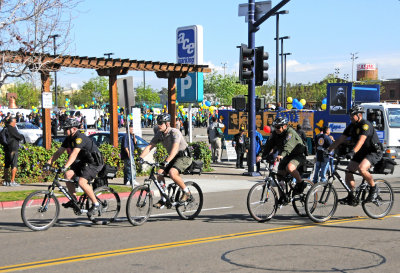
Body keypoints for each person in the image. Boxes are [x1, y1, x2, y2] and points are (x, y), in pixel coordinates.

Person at [45, 118, 104, 217]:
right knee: (67, 175)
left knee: (82, 182)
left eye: (66, 129)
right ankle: (74, 201)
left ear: (73, 129)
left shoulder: (79, 137)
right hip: (84, 162)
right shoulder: (69, 138)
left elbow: (74, 153)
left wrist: (65, 166)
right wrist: (48, 163)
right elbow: (59, 152)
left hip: (94, 162)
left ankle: (96, 204)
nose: (64, 131)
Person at [328, 105, 383, 204]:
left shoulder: (365, 125)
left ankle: (374, 189)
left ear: (359, 115)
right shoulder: (352, 126)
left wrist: (353, 152)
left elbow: (361, 141)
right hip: (361, 152)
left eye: (352, 115)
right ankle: (352, 196)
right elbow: (340, 139)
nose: (350, 117)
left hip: (373, 151)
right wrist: (328, 150)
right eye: (350, 115)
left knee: (362, 169)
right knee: (348, 171)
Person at [138, 113, 193, 209]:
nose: (158, 125)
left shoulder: (175, 132)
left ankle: (186, 192)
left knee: (172, 173)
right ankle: (163, 199)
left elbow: (175, 149)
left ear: (167, 124)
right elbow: (150, 146)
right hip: (173, 157)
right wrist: (140, 157)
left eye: (160, 123)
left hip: (184, 157)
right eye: (157, 123)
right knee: (159, 173)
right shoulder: (159, 134)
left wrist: (166, 161)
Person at [258, 117, 308, 195]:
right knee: (279, 176)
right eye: (275, 127)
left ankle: (301, 183)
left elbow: (288, 145)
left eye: (278, 127)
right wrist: (260, 155)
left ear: (284, 126)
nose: (276, 129)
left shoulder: (290, 132)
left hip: (298, 155)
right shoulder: (275, 134)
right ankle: (282, 197)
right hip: (286, 156)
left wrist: (281, 155)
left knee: (289, 168)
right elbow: (268, 145)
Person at [2, 116, 24, 186]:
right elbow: (19, 137)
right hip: (13, 148)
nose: (15, 123)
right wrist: (22, 136)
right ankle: (12, 181)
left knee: (7, 165)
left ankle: (6, 181)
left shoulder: (5, 128)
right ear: (11, 122)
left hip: (6, 149)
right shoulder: (12, 129)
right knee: (14, 165)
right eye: (15, 122)